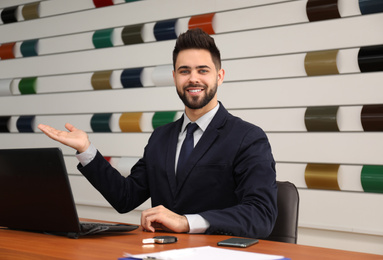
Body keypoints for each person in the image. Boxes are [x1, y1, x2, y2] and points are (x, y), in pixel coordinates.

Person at [38, 28, 277, 238]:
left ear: (220, 76)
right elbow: (125, 197)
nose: (193, 78)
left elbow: (261, 214)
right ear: (174, 78)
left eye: (202, 70)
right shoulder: (161, 137)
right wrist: (86, 150)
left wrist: (186, 222)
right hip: (160, 253)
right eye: (184, 71)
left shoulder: (248, 137)